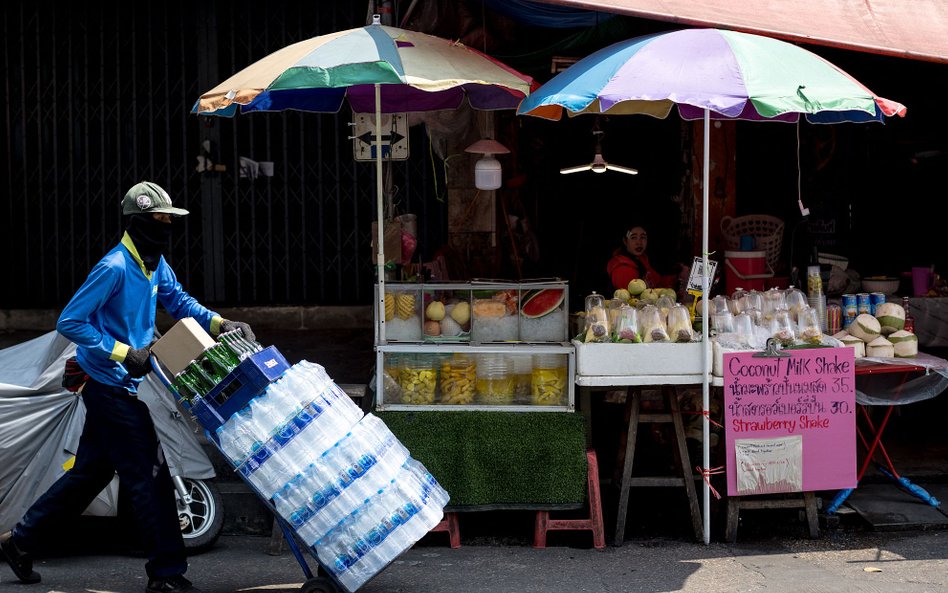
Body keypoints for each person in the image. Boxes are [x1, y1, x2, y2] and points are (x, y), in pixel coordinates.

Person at [1, 182, 254, 593]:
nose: (167, 227)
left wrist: (220, 323)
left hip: (122, 383)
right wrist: (122, 352)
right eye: (159, 220)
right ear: (137, 222)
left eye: (170, 220)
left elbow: (180, 302)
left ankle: (22, 540)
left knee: (89, 474)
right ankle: (166, 573)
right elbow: (70, 321)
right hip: (108, 385)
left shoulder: (153, 264)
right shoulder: (114, 267)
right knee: (151, 475)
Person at [607, 224, 682, 292]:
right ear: (625, 241)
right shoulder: (622, 269)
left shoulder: (642, 259)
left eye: (643, 237)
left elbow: (657, 283)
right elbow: (631, 301)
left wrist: (677, 276)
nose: (639, 242)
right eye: (633, 238)